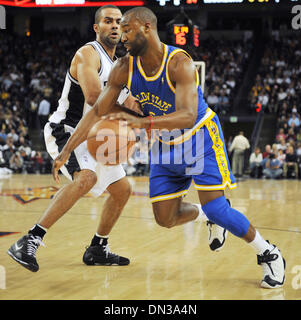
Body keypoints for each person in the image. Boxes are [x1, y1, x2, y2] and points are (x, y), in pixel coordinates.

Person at [51, 7, 285, 288]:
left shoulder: (179, 63)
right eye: (120, 30)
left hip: (199, 138)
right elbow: (97, 110)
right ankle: (209, 216)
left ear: (146, 28)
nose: (122, 37)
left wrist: (141, 123)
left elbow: (187, 115)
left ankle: (269, 253)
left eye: (127, 30)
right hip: (164, 143)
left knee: (218, 209)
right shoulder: (124, 67)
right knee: (165, 218)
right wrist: (67, 150)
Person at [7, 5, 140, 272]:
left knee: (122, 190)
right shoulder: (88, 54)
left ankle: (97, 248)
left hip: (98, 135)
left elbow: (134, 106)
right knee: (86, 178)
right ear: (96, 27)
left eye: (119, 22)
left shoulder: (122, 65)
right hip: (67, 129)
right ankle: (30, 238)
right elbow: (94, 99)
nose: (114, 25)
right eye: (108, 21)